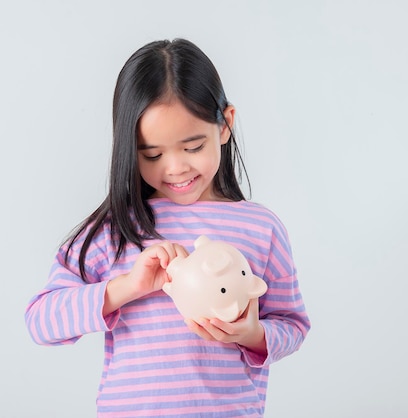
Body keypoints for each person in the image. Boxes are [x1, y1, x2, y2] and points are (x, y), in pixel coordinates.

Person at [25, 38, 310, 417]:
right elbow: (41, 321)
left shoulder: (261, 227)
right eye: (153, 154)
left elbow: (292, 324)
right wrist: (127, 287)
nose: (175, 168)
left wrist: (254, 336)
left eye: (192, 147)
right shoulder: (118, 227)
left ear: (225, 125)